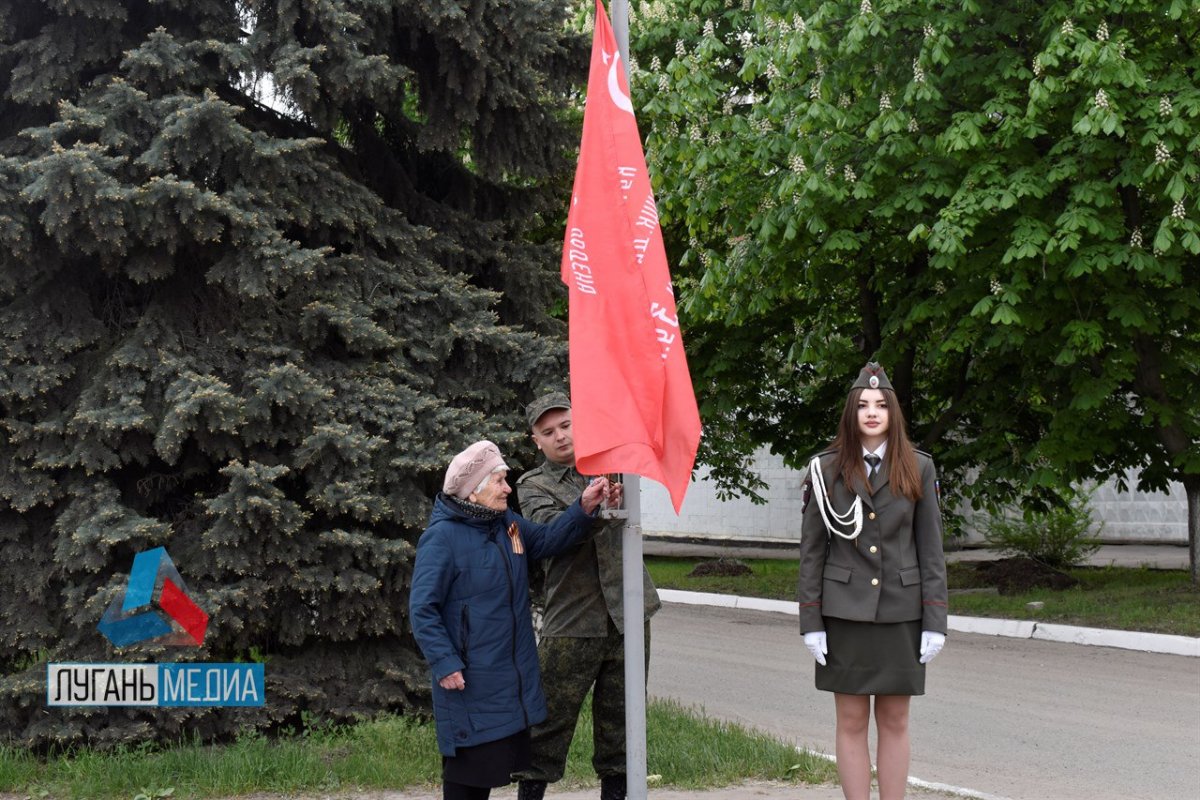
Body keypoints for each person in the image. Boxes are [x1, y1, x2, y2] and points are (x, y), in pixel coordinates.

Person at [410, 439, 621, 800]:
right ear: (472, 492)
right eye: (500, 481)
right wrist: (445, 663)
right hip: (469, 677)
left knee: (490, 768)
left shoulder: (505, 525)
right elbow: (422, 608)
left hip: (506, 677)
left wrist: (585, 507)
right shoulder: (442, 538)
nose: (509, 488)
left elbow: (550, 539)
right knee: (467, 777)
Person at [797, 363, 948, 800]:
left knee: (896, 719)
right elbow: (812, 551)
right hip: (844, 612)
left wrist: (935, 619)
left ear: (892, 413)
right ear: (851, 414)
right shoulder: (825, 471)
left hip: (902, 612)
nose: (872, 412)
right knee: (850, 721)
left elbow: (931, 549)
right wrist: (811, 620)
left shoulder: (919, 468)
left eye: (881, 405)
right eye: (863, 405)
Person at [514, 392, 661, 800]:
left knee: (622, 726)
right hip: (573, 619)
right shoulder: (533, 485)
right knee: (547, 725)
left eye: (566, 425)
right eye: (548, 432)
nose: (560, 436)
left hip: (629, 613)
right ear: (536, 441)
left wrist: (614, 500)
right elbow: (549, 537)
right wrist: (585, 507)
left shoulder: (616, 468)